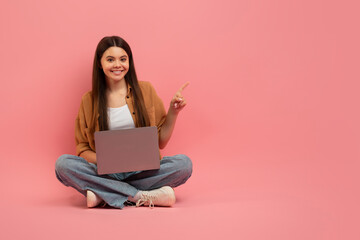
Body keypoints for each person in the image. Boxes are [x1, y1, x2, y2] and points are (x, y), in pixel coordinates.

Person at [55, 36, 192, 209]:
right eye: (110, 59)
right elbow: (82, 149)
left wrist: (174, 111)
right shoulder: (88, 100)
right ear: (100, 63)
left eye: (123, 59)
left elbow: (161, 142)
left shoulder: (146, 90)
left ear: (129, 62)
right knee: (63, 165)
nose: (117, 65)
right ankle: (139, 196)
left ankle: (104, 193)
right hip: (105, 172)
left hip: (142, 172)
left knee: (184, 164)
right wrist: (109, 161)